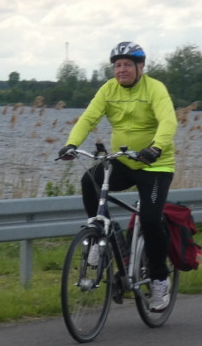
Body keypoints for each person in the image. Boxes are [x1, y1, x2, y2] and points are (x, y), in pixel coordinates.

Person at [57, 41, 178, 311]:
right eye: (117, 65)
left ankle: (159, 280)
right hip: (123, 161)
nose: (121, 70)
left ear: (140, 66)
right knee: (89, 180)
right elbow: (88, 118)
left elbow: (168, 121)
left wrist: (156, 148)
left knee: (150, 220)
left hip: (154, 165)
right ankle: (99, 238)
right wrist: (71, 144)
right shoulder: (108, 90)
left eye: (127, 65)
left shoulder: (155, 89)